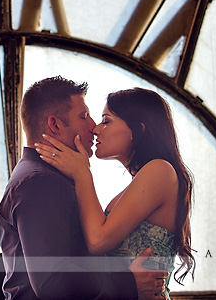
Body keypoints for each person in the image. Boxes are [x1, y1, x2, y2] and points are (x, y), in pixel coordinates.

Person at [0, 76, 169, 300]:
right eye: (84, 116)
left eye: (104, 121)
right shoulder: (41, 182)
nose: (93, 127)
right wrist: (127, 283)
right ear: (55, 124)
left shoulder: (45, 177)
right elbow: (53, 282)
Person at [34, 87, 195, 299]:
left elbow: (98, 241)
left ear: (139, 129)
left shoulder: (160, 170)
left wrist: (82, 173)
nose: (95, 129)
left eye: (106, 120)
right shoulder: (142, 181)